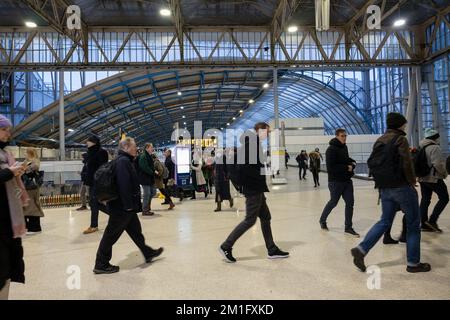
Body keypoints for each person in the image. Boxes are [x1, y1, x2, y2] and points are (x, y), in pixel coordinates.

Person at [351, 113, 431, 273]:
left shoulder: (380, 140)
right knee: (414, 224)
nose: (405, 127)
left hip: (384, 188)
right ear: (400, 125)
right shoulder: (400, 139)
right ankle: (413, 263)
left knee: (385, 221)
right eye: (404, 124)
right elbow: (407, 164)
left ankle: (362, 249)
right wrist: (412, 182)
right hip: (401, 187)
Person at [219, 122, 289, 262]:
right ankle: (226, 246)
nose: (268, 135)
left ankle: (271, 249)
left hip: (256, 188)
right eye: (267, 132)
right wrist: (260, 176)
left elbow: (252, 166)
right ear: (260, 130)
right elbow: (245, 168)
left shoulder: (253, 143)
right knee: (250, 220)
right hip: (253, 189)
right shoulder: (252, 144)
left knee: (266, 217)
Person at [93, 138, 164, 274]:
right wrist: (128, 206)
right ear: (126, 147)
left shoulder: (124, 160)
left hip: (125, 207)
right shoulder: (123, 162)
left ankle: (147, 252)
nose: (136, 149)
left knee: (136, 231)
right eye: (134, 147)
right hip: (122, 207)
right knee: (110, 235)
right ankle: (101, 264)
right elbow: (124, 185)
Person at [0, 115, 27, 300]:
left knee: (7, 267)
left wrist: (15, 171)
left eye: (9, 130)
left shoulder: (6, 154)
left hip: (8, 219)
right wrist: (9, 172)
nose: (8, 133)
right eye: (4, 129)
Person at [319, 128, 359, 237]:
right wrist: (347, 167)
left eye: (345, 136)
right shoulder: (330, 150)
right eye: (342, 136)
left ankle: (348, 227)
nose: (344, 138)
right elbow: (331, 168)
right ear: (337, 136)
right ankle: (322, 220)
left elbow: (346, 159)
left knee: (350, 203)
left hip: (347, 181)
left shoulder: (344, 147)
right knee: (333, 202)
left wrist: (352, 163)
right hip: (335, 182)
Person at [418, 128, 449, 233]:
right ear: (435, 137)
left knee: (425, 199)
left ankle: (423, 223)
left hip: (422, 178)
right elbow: (438, 164)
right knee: (444, 198)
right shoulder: (435, 147)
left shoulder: (421, 145)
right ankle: (432, 221)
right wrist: (444, 173)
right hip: (433, 178)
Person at [83, 135, 108, 234]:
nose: (86, 143)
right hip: (90, 182)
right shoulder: (90, 152)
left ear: (94, 142)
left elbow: (102, 168)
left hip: (97, 182)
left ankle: (94, 226)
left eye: (88, 141)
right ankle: (117, 215)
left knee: (94, 203)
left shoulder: (101, 152)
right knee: (94, 203)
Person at [21, 148, 44, 234]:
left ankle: (35, 228)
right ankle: (27, 226)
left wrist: (24, 168)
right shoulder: (26, 161)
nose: (24, 154)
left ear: (29, 153)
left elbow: (35, 167)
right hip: (26, 187)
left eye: (25, 152)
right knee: (26, 206)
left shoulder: (34, 161)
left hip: (31, 187)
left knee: (32, 206)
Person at [137, 143, 157, 216]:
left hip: (150, 178)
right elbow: (144, 167)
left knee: (153, 192)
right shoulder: (143, 156)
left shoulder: (149, 156)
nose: (152, 148)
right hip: (145, 178)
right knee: (147, 194)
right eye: (151, 147)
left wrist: (153, 171)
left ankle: (147, 207)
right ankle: (145, 210)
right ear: (147, 148)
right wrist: (152, 172)